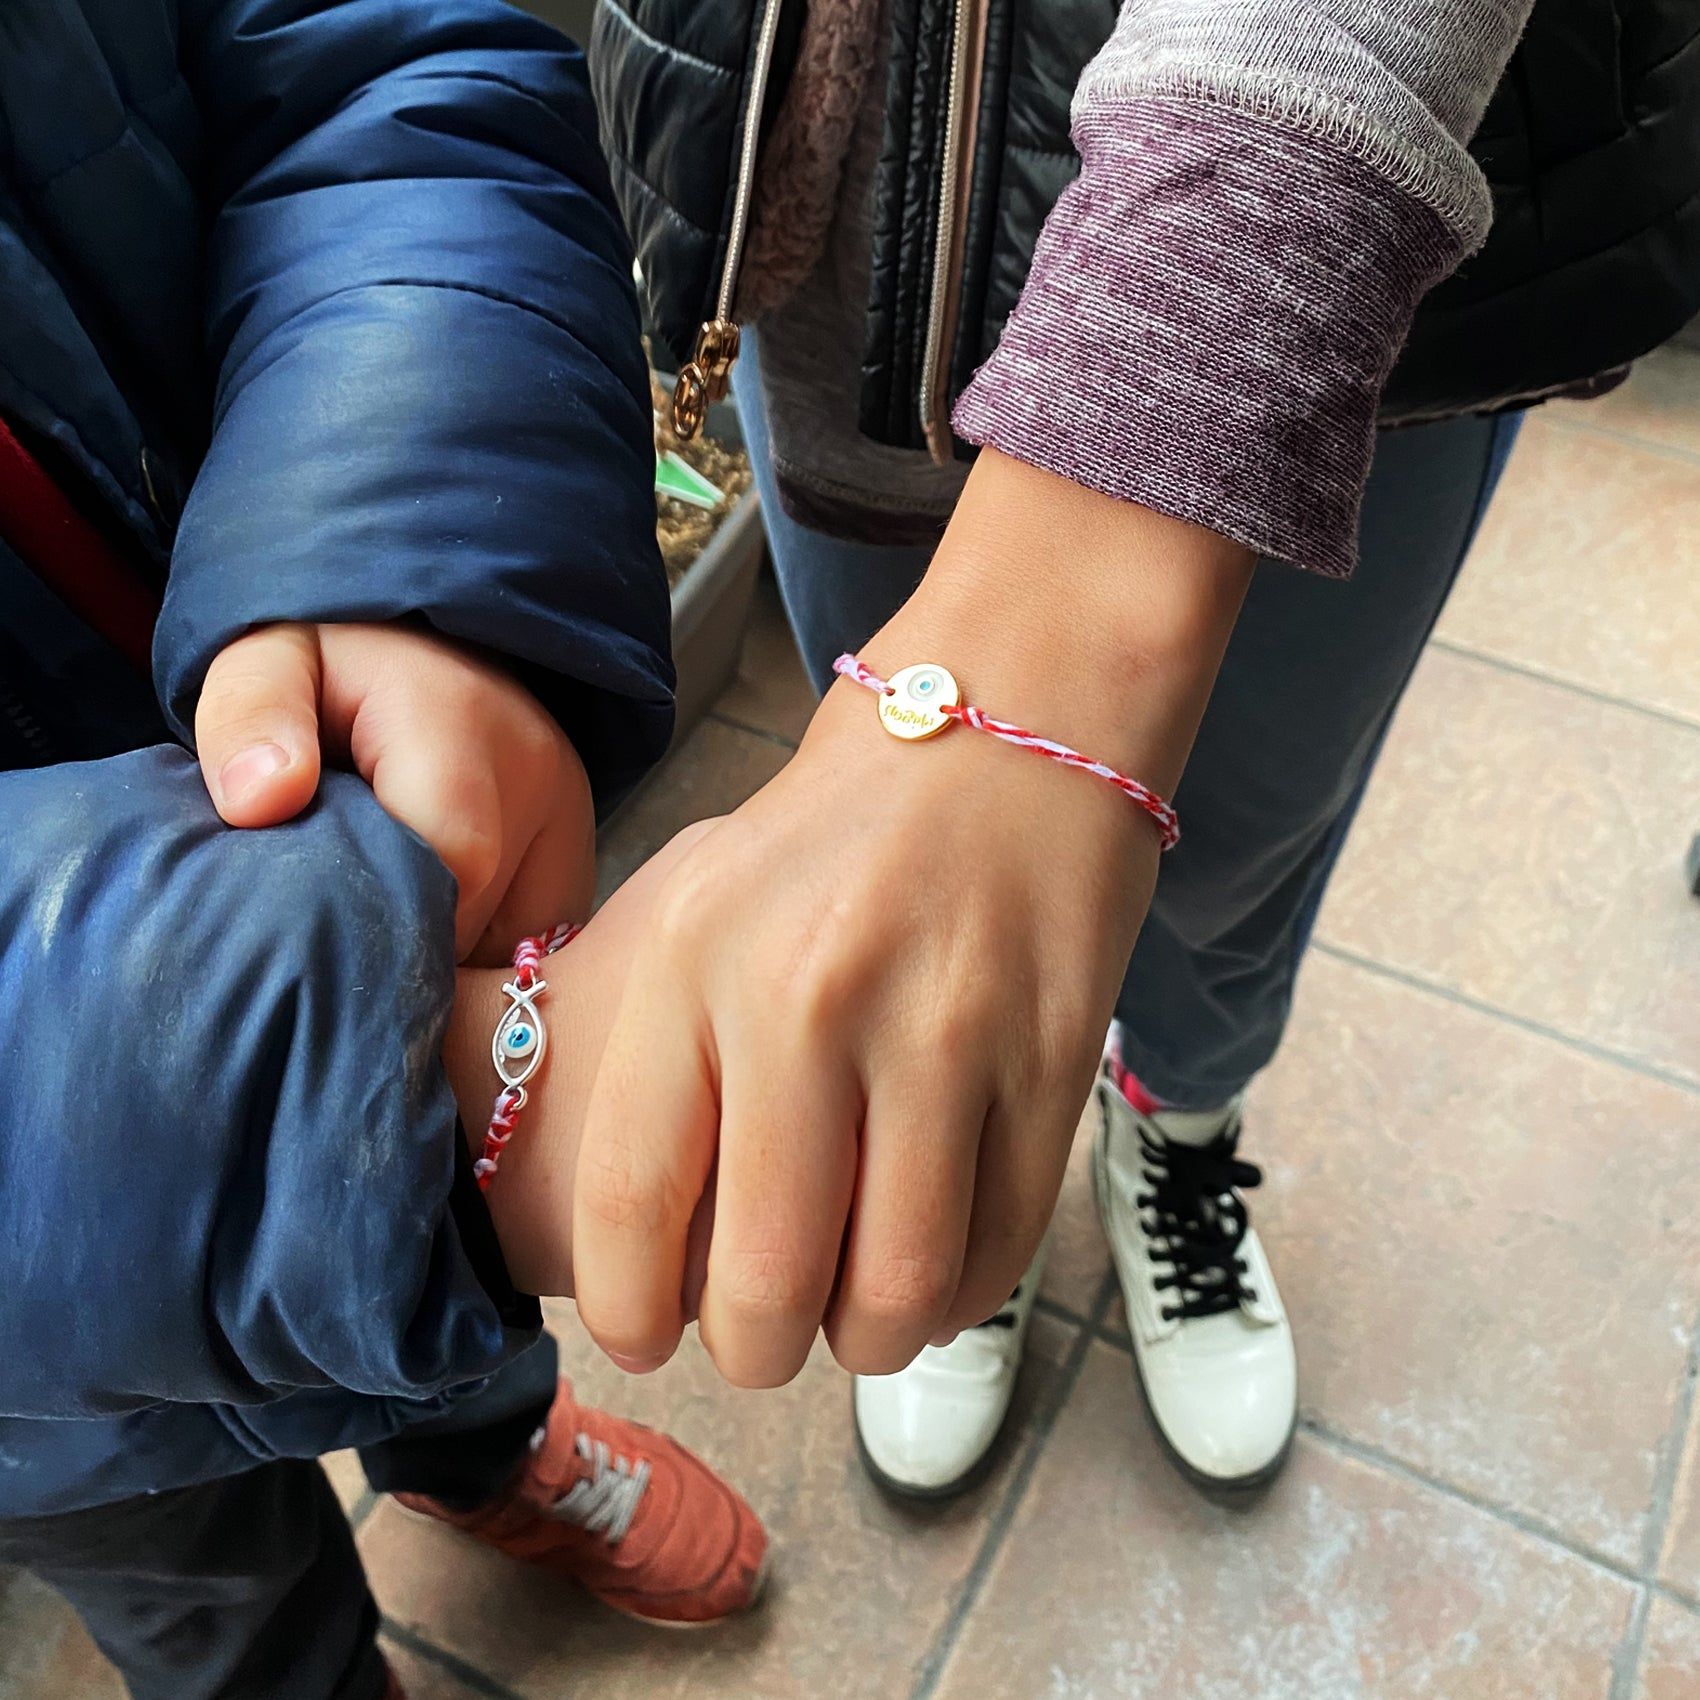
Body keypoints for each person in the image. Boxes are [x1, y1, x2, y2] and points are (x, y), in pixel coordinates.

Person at [574, 0, 1700, 1496]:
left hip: (1372, 213)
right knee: (918, 886)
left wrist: (1126, 460)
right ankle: (985, 1174)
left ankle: (1175, 1127)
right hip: (840, 166)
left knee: (1249, 843)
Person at [0, 4, 765, 1697]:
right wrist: (391, 1071)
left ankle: (489, 1457)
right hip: (34, 1386)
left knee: (450, 1335)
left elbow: (369, 52)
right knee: (212, 1599)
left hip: (287, 638)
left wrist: (398, 540)